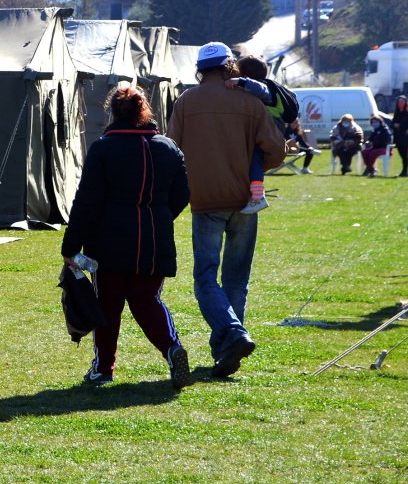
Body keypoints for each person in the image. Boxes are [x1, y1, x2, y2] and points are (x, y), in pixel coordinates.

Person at [61, 83, 192, 388]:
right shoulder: (168, 147)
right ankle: (173, 349)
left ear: (112, 113)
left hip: (109, 245)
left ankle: (103, 369)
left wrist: (71, 246)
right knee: (147, 302)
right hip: (154, 242)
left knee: (107, 306)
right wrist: (158, 217)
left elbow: (87, 201)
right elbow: (182, 195)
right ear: (144, 111)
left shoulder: (103, 148)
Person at [168, 41, 285, 378]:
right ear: (229, 66)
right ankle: (230, 347)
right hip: (246, 200)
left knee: (206, 276)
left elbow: (172, 149)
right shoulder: (249, 100)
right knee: (237, 279)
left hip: (205, 201)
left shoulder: (187, 102)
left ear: (201, 70)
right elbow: (275, 150)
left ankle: (231, 336)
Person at [228, 54, 292, 212]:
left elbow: (260, 89)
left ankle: (257, 197)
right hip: (270, 126)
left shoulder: (263, 86)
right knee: (254, 158)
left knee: (255, 157)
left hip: (271, 126)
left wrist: (240, 82)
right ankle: (256, 194)